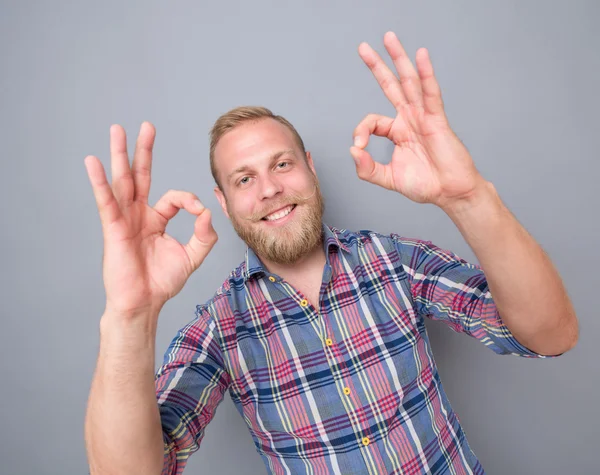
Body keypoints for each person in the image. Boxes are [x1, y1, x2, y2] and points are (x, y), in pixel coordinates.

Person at [83, 31, 579, 475]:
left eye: (282, 164)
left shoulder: (392, 261)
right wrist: (129, 315)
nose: (270, 189)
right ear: (224, 202)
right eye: (244, 179)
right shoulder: (219, 329)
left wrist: (468, 196)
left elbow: (551, 334)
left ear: (311, 169)